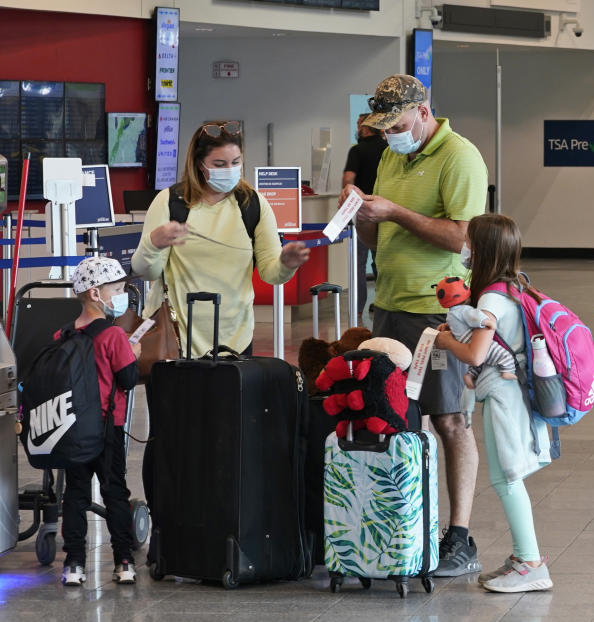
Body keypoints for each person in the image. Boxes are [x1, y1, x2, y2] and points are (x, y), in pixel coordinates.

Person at [132, 120, 310, 566]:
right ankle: (167, 529)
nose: (230, 170)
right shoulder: (171, 202)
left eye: (236, 162)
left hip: (235, 340)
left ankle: (222, 527)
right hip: (178, 344)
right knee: (172, 440)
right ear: (198, 163)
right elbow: (145, 269)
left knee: (228, 440)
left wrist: (286, 262)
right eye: (220, 163)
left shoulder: (251, 204)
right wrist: (156, 241)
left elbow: (269, 269)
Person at [339, 74, 488, 577]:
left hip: (436, 312)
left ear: (423, 112)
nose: (391, 135)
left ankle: (461, 537)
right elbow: (380, 238)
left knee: (448, 418)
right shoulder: (389, 155)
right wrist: (360, 215)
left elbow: (464, 238)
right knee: (400, 419)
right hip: (389, 304)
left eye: (398, 125)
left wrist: (396, 212)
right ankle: (413, 525)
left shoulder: (459, 157)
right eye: (384, 129)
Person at [435, 214, 553, 593]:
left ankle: (531, 562)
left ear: (482, 249)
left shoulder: (490, 297)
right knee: (507, 476)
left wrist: (442, 342)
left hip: (504, 396)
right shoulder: (514, 285)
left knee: (507, 479)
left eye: (468, 241)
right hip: (509, 391)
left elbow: (473, 353)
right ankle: (523, 558)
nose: (463, 247)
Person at [60, 257, 141, 586]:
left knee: (75, 495)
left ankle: (74, 564)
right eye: (117, 289)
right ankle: (123, 561)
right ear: (95, 294)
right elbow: (129, 380)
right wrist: (131, 354)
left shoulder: (62, 335)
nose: (121, 295)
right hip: (108, 428)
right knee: (115, 493)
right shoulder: (114, 336)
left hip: (73, 430)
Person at [342, 113, 388, 322]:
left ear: (366, 128)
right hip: (385, 211)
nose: (357, 128)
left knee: (358, 263)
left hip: (361, 212)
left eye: (360, 125)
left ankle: (357, 309)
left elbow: (349, 178)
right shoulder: (389, 150)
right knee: (382, 261)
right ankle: (383, 304)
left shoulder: (357, 150)